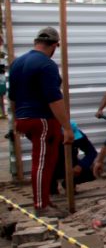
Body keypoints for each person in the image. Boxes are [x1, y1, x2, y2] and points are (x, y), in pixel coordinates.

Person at [8, 27, 74, 217]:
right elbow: (54, 99)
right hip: (42, 120)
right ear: (54, 45)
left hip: (25, 118)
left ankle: (45, 200)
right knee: (42, 163)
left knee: (46, 160)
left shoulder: (17, 63)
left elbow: (12, 97)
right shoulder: (47, 65)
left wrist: (17, 119)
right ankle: (41, 205)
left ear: (36, 42)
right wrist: (67, 127)